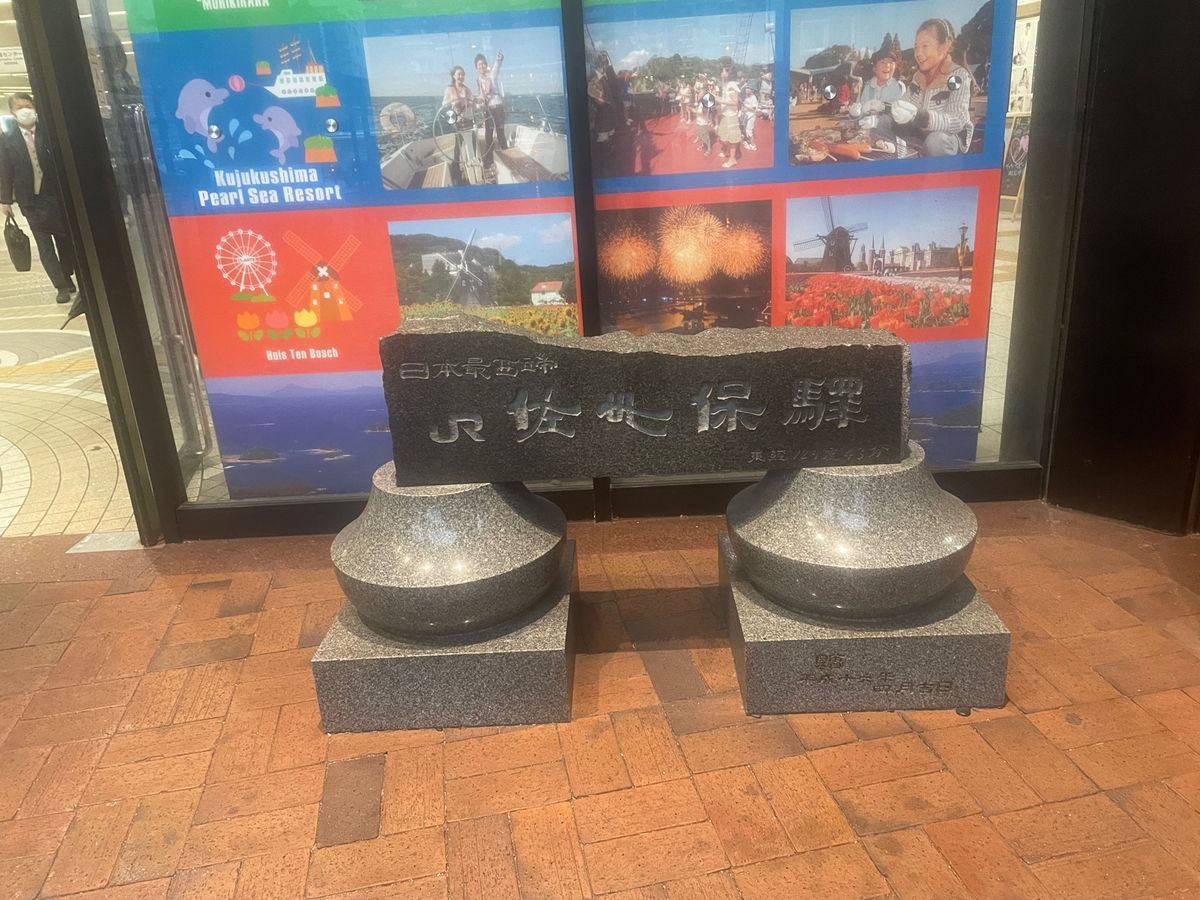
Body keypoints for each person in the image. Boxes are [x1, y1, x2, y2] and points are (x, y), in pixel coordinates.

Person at [0, 93, 76, 304]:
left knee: (64, 241)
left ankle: (67, 274)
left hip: (55, 196)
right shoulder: (7, 140)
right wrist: (5, 200)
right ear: (13, 112)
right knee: (44, 245)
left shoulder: (49, 132)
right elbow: (4, 170)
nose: (25, 110)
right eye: (19, 107)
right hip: (30, 201)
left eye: (28, 105)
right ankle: (60, 285)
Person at [902, 18, 974, 156]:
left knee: (935, 142)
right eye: (916, 47)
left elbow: (957, 120)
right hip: (920, 134)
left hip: (948, 137)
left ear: (945, 46)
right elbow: (905, 103)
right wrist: (888, 108)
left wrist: (926, 118)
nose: (918, 53)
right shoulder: (917, 77)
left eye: (925, 46)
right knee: (884, 123)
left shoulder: (957, 76)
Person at [851, 50, 906, 141]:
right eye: (882, 62)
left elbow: (902, 119)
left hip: (889, 139)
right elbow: (861, 113)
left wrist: (877, 122)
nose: (887, 65)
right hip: (865, 137)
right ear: (874, 68)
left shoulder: (899, 88)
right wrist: (855, 114)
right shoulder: (867, 86)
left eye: (891, 62)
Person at [474, 51, 507, 176]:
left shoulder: (492, 74)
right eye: (479, 65)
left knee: (500, 133)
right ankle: (488, 161)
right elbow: (481, 96)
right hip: (487, 109)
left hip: (497, 107)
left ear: (486, 65)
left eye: (483, 64)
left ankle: (506, 157)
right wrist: (475, 101)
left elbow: (497, 67)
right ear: (476, 67)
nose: (481, 66)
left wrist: (499, 59)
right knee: (488, 135)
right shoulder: (478, 80)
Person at [717, 80, 742, 168]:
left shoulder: (732, 85)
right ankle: (727, 151)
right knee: (724, 135)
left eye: (723, 72)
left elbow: (735, 102)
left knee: (732, 137)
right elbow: (726, 98)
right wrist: (715, 97)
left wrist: (721, 101)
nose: (721, 74)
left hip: (731, 116)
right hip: (725, 115)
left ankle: (732, 159)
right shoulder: (725, 85)